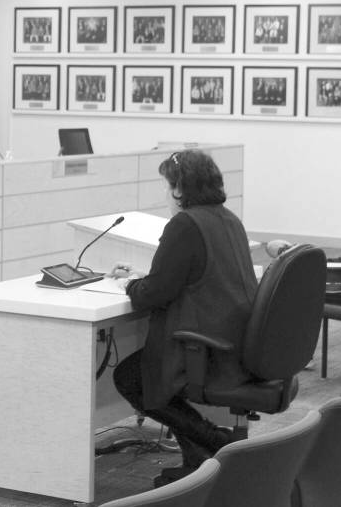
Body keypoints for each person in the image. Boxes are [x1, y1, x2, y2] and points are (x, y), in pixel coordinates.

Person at [109, 149, 257, 484]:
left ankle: (215, 441)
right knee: (146, 371)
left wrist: (129, 284)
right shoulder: (229, 219)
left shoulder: (185, 224)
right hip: (235, 340)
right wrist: (145, 279)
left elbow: (153, 294)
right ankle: (196, 457)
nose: (166, 194)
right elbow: (188, 276)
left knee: (131, 378)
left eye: (167, 186)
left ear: (179, 188)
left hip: (205, 346)